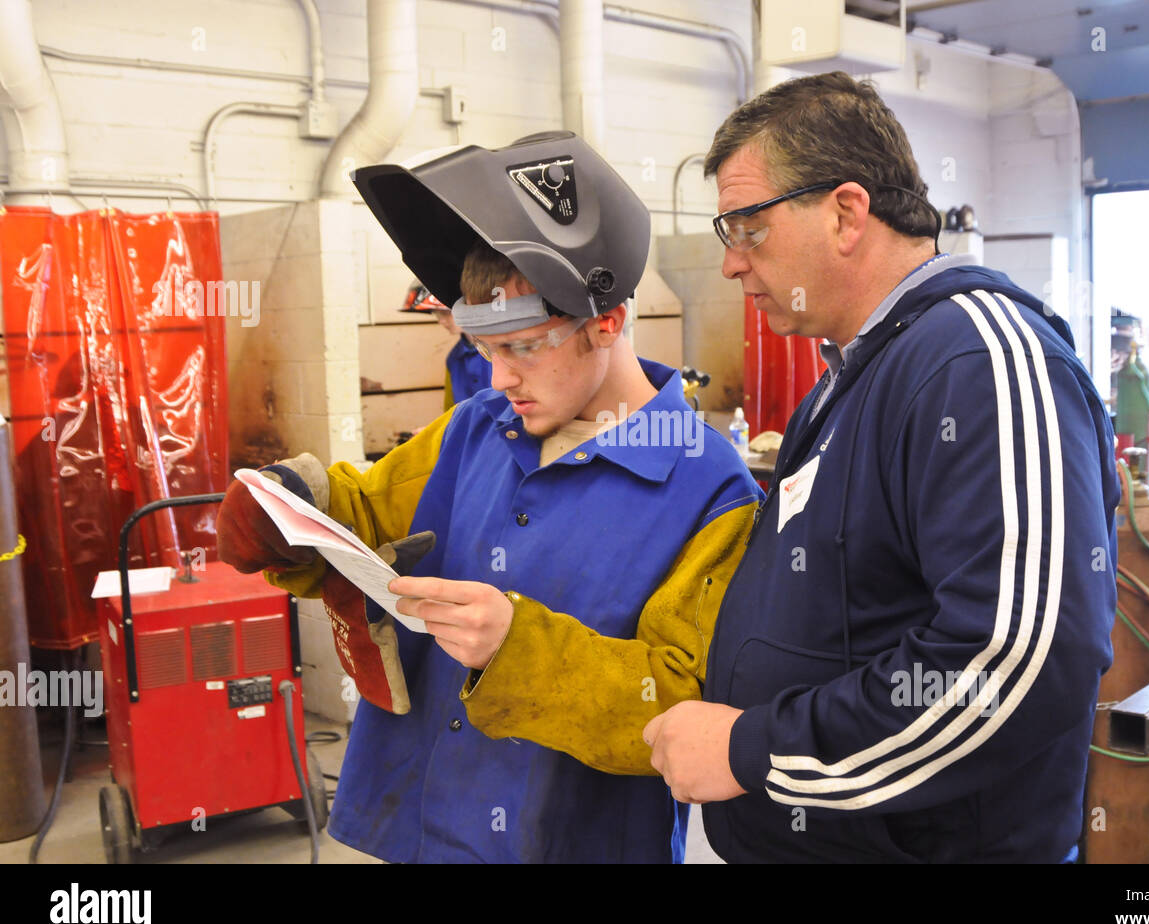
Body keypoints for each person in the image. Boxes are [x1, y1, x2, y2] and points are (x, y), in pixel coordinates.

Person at [217, 131, 761, 863]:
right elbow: (371, 512)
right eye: (485, 352)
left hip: (564, 840)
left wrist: (520, 647)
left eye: (524, 347)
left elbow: (679, 701)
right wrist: (292, 504)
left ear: (606, 320)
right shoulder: (476, 428)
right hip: (422, 823)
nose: (498, 379)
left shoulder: (713, 491)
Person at [645, 71, 1119, 863]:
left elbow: (1017, 664)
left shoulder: (978, 359)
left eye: (747, 228)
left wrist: (753, 750)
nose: (732, 265)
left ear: (846, 212)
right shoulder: (855, 375)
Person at [398, 281, 493, 410]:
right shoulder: (454, 358)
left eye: (445, 313)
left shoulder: (500, 350)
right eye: (436, 314)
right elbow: (450, 411)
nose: (441, 321)